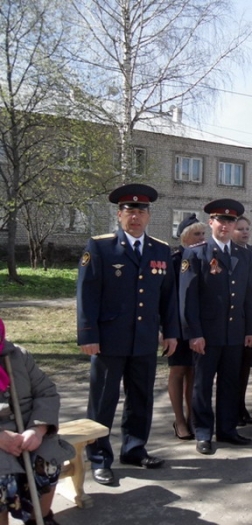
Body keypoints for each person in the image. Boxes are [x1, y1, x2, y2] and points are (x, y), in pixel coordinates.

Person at [77, 183, 178, 486]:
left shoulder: (160, 250)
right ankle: (99, 458)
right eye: (129, 211)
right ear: (119, 215)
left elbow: (169, 298)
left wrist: (171, 332)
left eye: (141, 212)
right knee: (103, 401)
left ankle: (134, 449)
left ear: (148, 216)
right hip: (109, 339)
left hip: (145, 339)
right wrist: (87, 335)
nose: (135, 217)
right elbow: (87, 294)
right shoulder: (101, 246)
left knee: (141, 397)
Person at [179, 199, 252, 455]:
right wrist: (194, 333)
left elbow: (250, 295)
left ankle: (227, 429)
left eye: (231, 221)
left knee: (230, 383)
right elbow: (188, 298)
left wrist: (250, 329)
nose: (225, 225)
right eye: (221, 220)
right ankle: (203, 432)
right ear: (211, 222)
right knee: (202, 384)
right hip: (207, 335)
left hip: (235, 333)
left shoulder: (244, 254)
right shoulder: (196, 252)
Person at [0, 319, 75, 525]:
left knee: (47, 459)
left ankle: (40, 519)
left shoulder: (18, 355)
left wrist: (38, 429)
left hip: (28, 431)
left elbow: (47, 392)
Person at [169, 214, 206, 441]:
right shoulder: (174, 260)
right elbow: (168, 297)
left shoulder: (205, 258)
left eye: (203, 233)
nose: (201, 238)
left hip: (197, 325)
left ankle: (193, 415)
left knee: (193, 371)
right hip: (177, 324)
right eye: (196, 234)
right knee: (178, 370)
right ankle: (179, 420)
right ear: (184, 238)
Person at [231, 216, 252, 427]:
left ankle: (240, 406)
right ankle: (233, 409)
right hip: (229, 324)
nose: (245, 232)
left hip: (248, 323)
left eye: (247, 229)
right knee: (231, 373)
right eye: (240, 229)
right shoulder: (226, 252)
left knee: (243, 371)